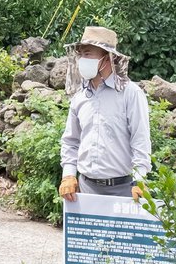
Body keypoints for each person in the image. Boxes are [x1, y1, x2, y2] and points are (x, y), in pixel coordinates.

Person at [57, 24, 151, 203]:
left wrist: (141, 179)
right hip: (84, 190)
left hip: (122, 189)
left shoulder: (130, 93)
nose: (82, 60)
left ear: (107, 58)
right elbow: (71, 141)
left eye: (88, 54)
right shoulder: (80, 96)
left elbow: (140, 140)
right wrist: (68, 175)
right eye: (81, 54)